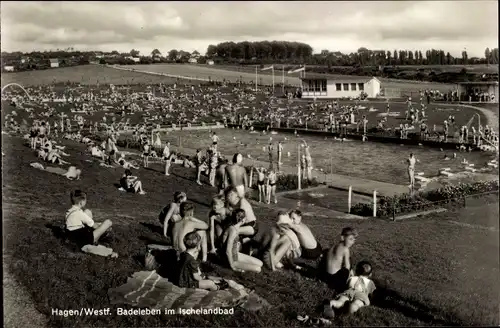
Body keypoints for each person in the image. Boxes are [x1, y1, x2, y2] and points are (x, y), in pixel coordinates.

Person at [321, 227, 357, 292]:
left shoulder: (333, 246)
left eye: (354, 240)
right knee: (349, 263)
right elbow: (347, 267)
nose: (352, 242)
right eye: (350, 239)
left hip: (325, 276)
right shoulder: (345, 249)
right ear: (342, 238)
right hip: (334, 280)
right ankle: (343, 288)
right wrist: (351, 276)